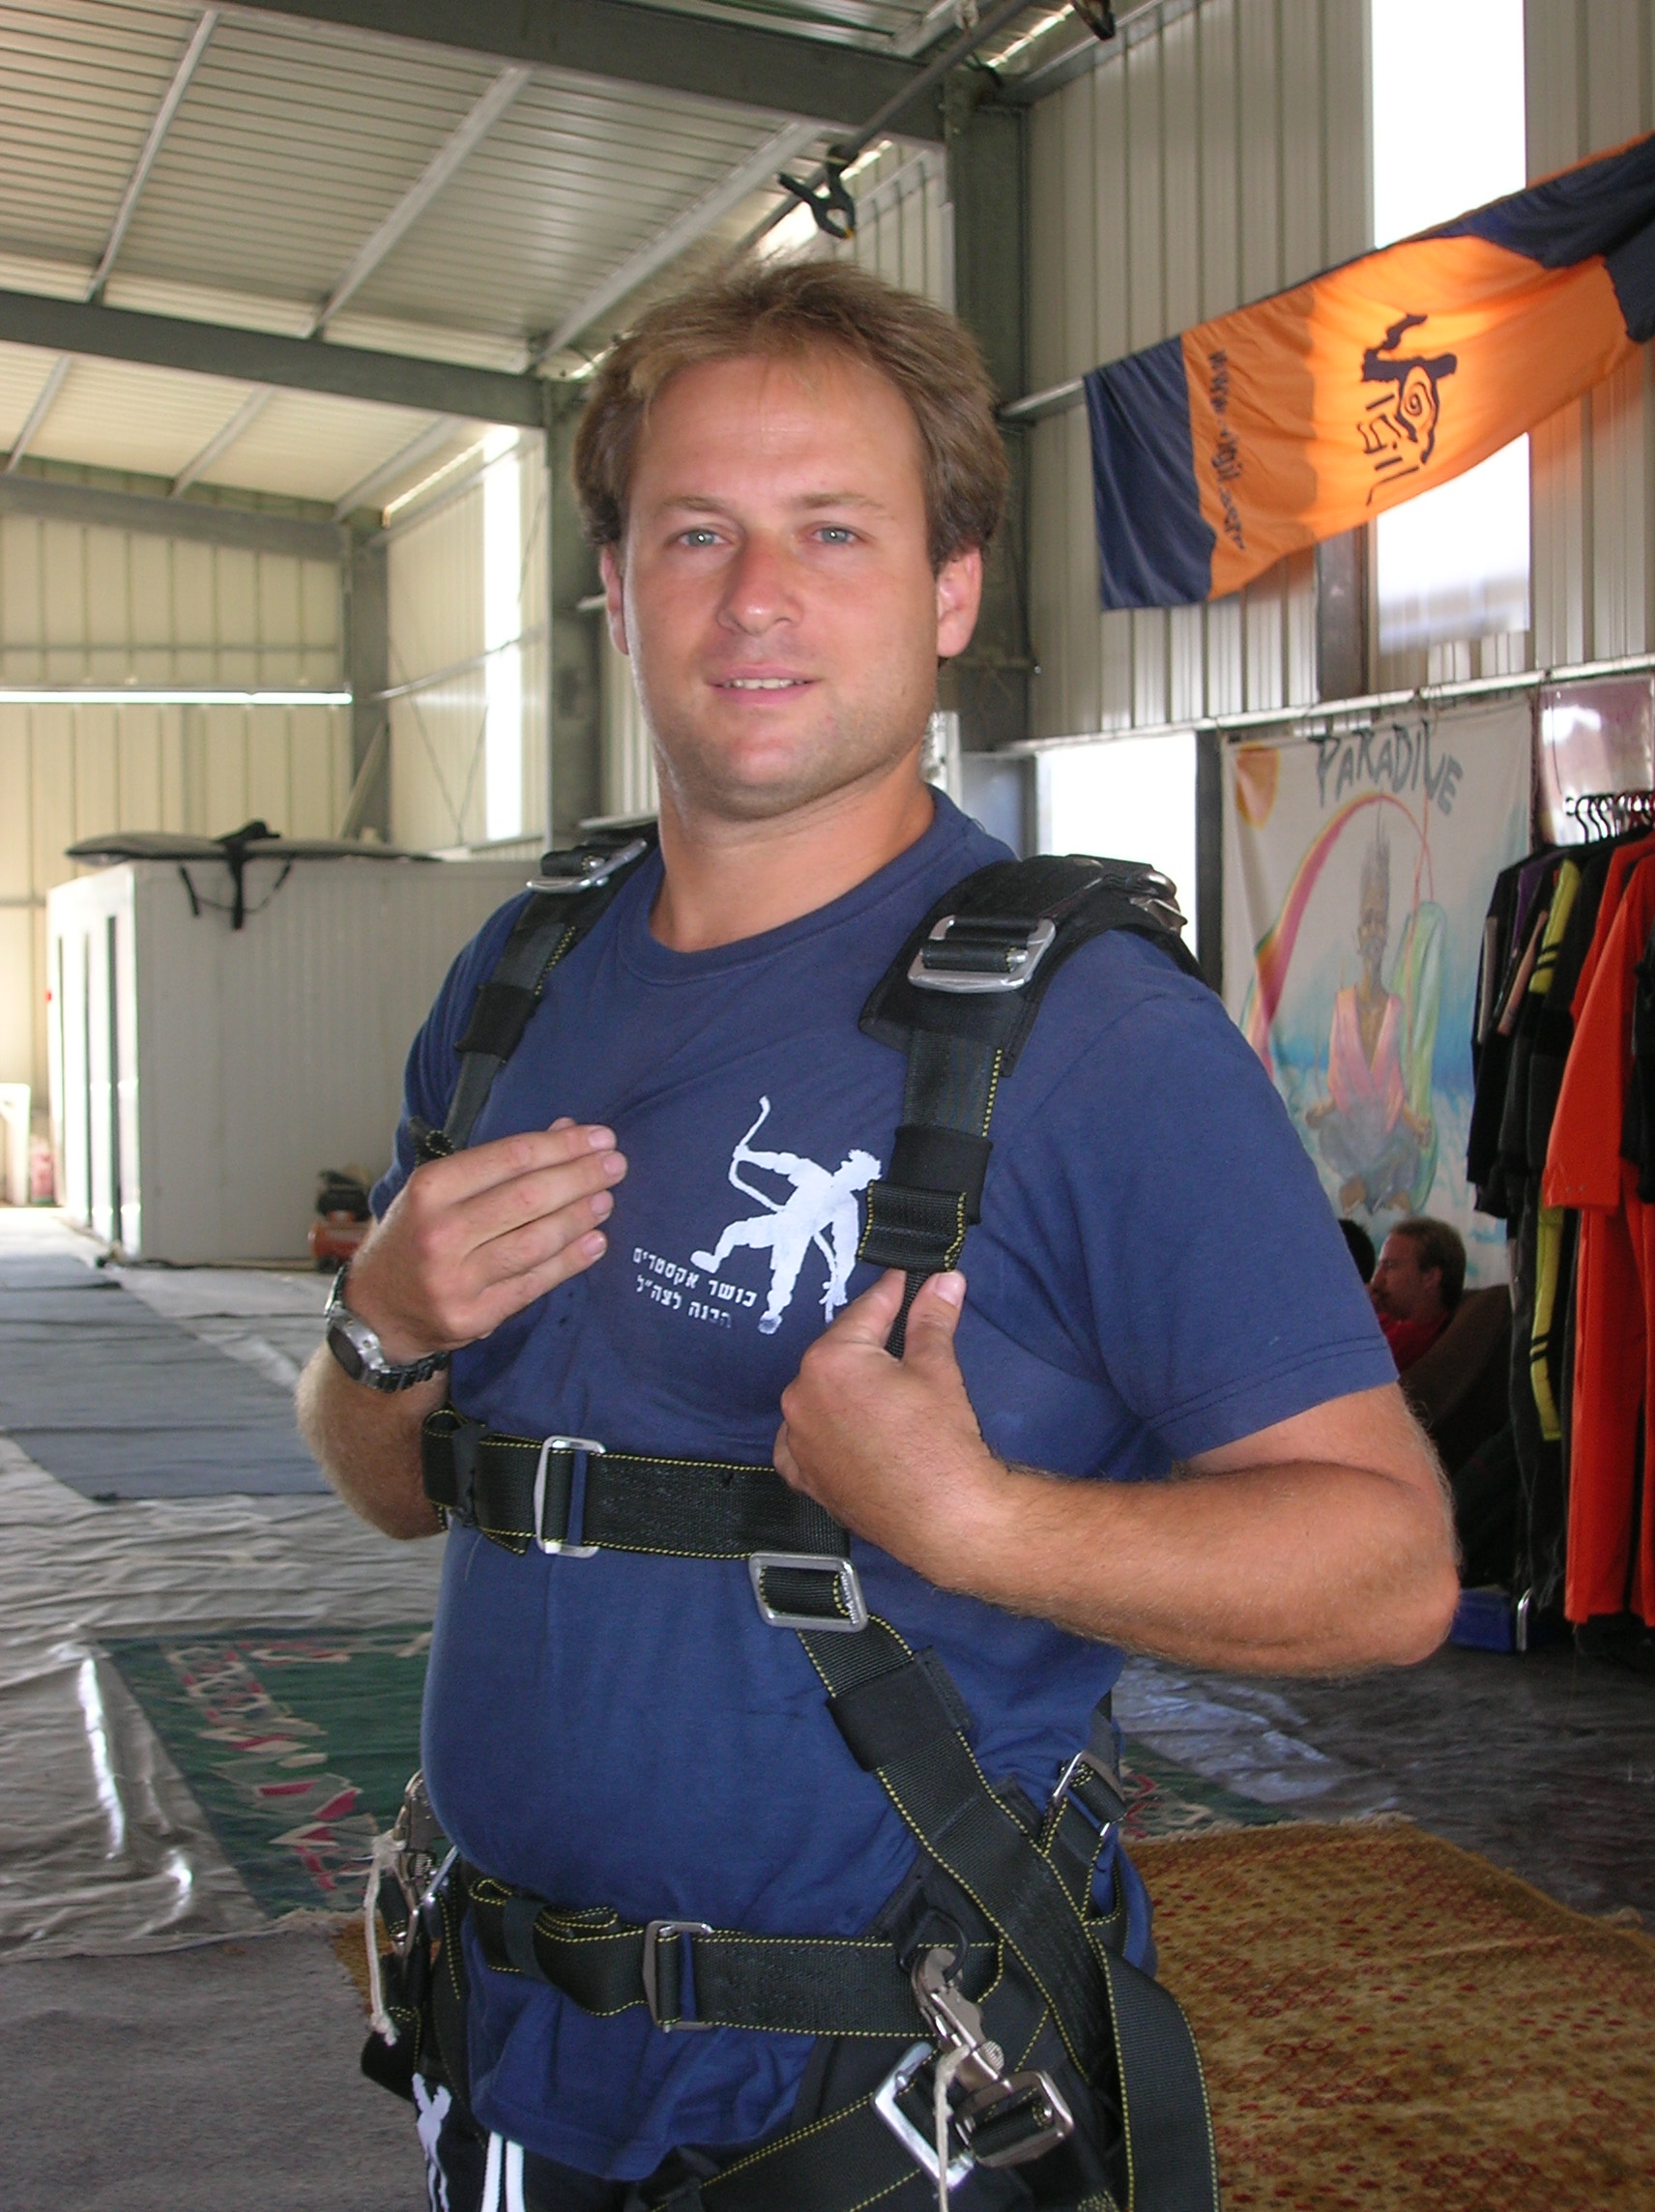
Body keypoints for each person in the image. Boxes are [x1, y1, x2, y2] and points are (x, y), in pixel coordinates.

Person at [297, 259, 1457, 2212]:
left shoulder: (1096, 1041)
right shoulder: (519, 977)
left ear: (949, 592)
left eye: (832, 530)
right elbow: (397, 1488)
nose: (756, 597)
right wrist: (378, 1328)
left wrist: (982, 1522)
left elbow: (1391, 1566)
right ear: (617, 588)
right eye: (696, 532)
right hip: (506, 2069)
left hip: (886, 2116)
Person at [1303, 826, 1435, 1215]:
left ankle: (1369, 1187)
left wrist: (1415, 1124)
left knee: (1408, 1151)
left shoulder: (1396, 1008)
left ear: (1387, 934)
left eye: (1380, 922)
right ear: (1358, 934)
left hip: (1386, 1128)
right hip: (1352, 1128)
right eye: (1368, 921)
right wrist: (1323, 1110)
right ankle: (1373, 1187)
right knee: (1328, 1136)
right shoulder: (1342, 1005)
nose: (1374, 931)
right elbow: (1339, 1078)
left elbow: (1396, 1085)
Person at [1369, 1214, 1466, 1374]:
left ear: (1430, 1278)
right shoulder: (1389, 1317)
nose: (1376, 1280)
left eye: (1390, 1266)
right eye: (1380, 1266)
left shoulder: (1409, 1340)